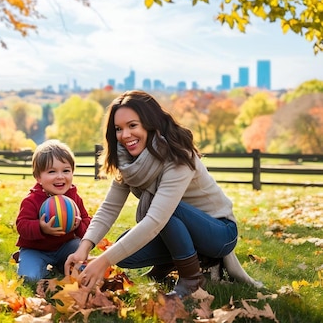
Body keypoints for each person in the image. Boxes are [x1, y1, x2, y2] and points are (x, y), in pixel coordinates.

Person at [64, 90, 262, 298]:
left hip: (219, 232)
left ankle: (191, 278)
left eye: (133, 125)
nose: (125, 135)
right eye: (118, 129)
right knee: (125, 255)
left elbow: (157, 219)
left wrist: (103, 261)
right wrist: (83, 249)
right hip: (176, 225)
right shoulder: (128, 163)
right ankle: (177, 260)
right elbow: (109, 208)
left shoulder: (178, 156)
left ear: (150, 124)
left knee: (163, 210)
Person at [15, 140, 92, 281]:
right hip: (35, 249)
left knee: (81, 260)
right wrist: (41, 227)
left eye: (66, 170)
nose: (60, 176)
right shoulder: (31, 200)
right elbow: (22, 226)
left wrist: (79, 225)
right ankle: (27, 261)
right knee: (30, 278)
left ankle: (64, 264)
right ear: (38, 177)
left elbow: (88, 224)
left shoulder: (74, 198)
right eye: (52, 171)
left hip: (65, 247)